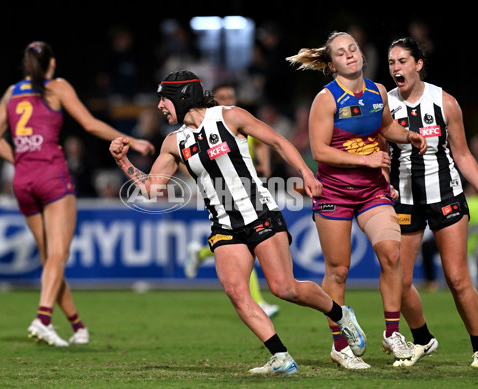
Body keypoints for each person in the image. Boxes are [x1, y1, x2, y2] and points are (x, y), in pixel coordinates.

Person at [109, 70, 367, 375]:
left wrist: (307, 175)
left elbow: (278, 141)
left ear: (182, 97)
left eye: (164, 99)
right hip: (224, 225)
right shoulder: (173, 142)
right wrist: (123, 162)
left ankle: (341, 314)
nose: (160, 106)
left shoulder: (230, 117)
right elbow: (152, 188)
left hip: (260, 213)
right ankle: (281, 357)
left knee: (285, 288)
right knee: (235, 291)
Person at [0, 41, 155, 347]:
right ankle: (43, 318)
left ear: (26, 66)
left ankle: (78, 326)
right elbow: (89, 124)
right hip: (51, 175)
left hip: (23, 180)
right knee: (58, 256)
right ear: (51, 64)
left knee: (51, 259)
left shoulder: (12, 92)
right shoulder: (57, 86)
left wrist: (20, 160)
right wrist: (135, 141)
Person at [286, 31, 427, 369]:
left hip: (372, 191)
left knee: (392, 255)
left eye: (353, 49)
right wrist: (366, 160)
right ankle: (340, 346)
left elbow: (386, 127)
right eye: (341, 52)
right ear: (331, 63)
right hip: (334, 193)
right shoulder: (326, 99)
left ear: (361, 55)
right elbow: (318, 151)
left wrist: (406, 135)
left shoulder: (378, 92)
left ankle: (392, 333)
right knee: (338, 270)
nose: (349, 55)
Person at [386, 37, 478, 367]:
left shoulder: (445, 102)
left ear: (418, 64)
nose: (396, 67)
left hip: (446, 198)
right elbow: (382, 153)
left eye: (402, 61)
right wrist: (385, 186)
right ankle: (423, 339)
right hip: (406, 202)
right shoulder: (384, 104)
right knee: (401, 280)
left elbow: (462, 154)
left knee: (456, 278)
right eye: (392, 61)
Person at [184, 83, 279, 319]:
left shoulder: (239, 121)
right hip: (221, 197)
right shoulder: (200, 132)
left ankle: (200, 253)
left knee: (245, 242)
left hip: (250, 193)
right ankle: (258, 301)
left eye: (231, 96)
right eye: (222, 96)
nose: (227, 100)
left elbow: (262, 150)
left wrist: (262, 169)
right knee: (246, 242)